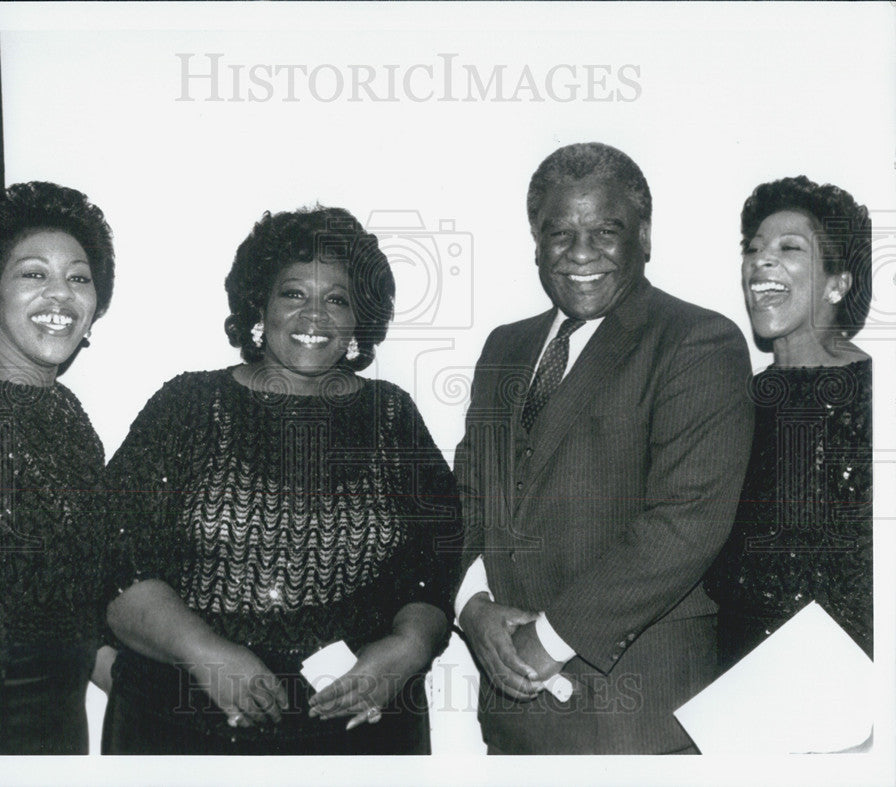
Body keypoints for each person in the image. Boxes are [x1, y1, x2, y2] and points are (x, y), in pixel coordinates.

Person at [102, 206, 461, 755]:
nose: (314, 315)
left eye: (337, 299)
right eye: (293, 294)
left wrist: (410, 648)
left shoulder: (392, 416)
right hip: (186, 721)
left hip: (358, 727)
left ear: (358, 321)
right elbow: (112, 557)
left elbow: (438, 557)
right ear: (259, 306)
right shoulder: (189, 405)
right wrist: (204, 651)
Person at [453, 142, 754, 754]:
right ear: (535, 242)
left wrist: (549, 640)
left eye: (605, 231)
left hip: (635, 722)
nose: (581, 253)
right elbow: (466, 496)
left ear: (644, 236)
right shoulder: (504, 349)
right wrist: (473, 606)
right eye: (559, 233)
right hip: (516, 721)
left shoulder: (698, 341)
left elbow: (686, 521)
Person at [0, 181, 117, 754]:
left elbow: (69, 601)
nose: (61, 295)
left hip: (56, 733)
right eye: (34, 274)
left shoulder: (66, 413)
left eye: (78, 278)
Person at [706, 176, 873, 668]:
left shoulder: (875, 399)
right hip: (733, 677)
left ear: (837, 283)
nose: (762, 259)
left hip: (839, 689)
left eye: (790, 247)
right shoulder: (742, 399)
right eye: (754, 248)